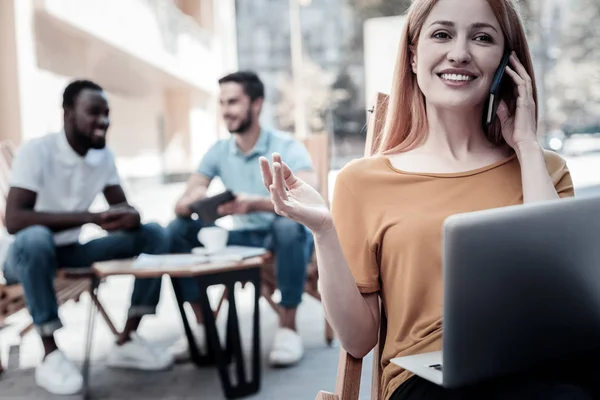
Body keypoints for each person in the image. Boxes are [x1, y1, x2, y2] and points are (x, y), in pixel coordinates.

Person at [259, 0, 600, 399]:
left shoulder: (544, 168)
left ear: (507, 64)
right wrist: (324, 230)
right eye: (441, 34)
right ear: (413, 55)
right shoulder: (363, 181)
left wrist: (525, 144)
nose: (460, 52)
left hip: (539, 361)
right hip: (426, 381)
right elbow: (356, 340)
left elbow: (555, 298)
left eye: (482, 37)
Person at [2, 80, 173, 396]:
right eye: (94, 112)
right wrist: (91, 218)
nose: (103, 121)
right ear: (68, 113)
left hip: (71, 250)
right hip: (25, 256)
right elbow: (14, 221)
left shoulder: (102, 157)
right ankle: (51, 352)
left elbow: (122, 208)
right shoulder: (37, 152)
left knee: (154, 234)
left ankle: (128, 339)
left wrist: (129, 216)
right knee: (35, 237)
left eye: (107, 114)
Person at [166, 71, 316, 367]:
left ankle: (288, 327)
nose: (225, 111)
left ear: (257, 103)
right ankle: (203, 327)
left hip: (281, 236)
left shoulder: (286, 147)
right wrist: (195, 201)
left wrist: (256, 204)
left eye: (233, 101)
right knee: (176, 230)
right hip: (242, 240)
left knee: (288, 224)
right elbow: (183, 202)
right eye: (222, 103)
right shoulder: (219, 151)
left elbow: (309, 200)